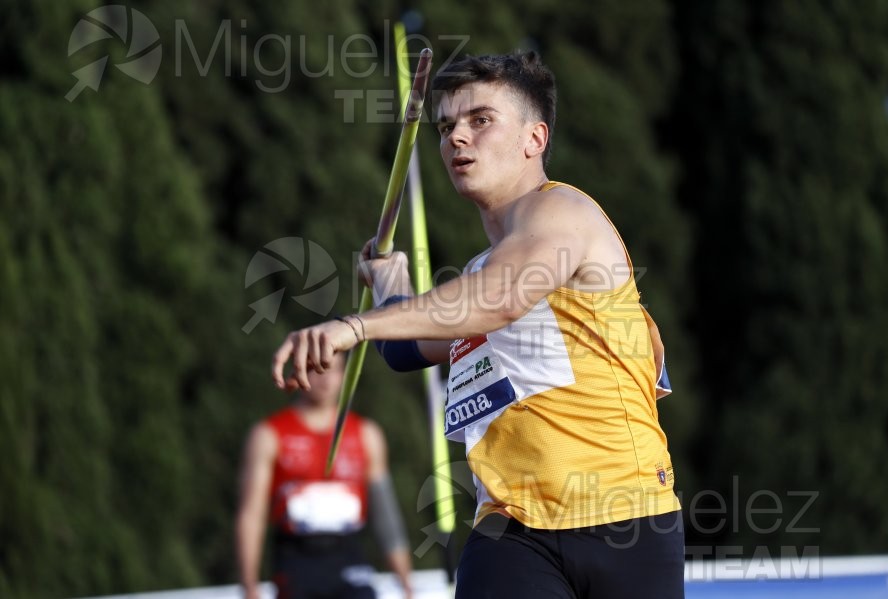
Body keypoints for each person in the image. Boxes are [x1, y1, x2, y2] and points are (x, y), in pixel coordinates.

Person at [272, 51, 684, 598]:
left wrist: (353, 326)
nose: (456, 139)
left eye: (480, 120)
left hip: (622, 518)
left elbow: (504, 298)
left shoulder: (564, 213)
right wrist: (391, 283)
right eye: (446, 127)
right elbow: (410, 348)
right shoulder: (478, 272)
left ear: (534, 139)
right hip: (512, 531)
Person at [237, 351, 414, 599]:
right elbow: (251, 514)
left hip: (347, 553)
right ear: (298, 371)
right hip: (297, 557)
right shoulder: (269, 435)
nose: (326, 379)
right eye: (317, 369)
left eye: (334, 369)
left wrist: (405, 581)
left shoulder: (366, 434)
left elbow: (385, 514)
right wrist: (249, 585)